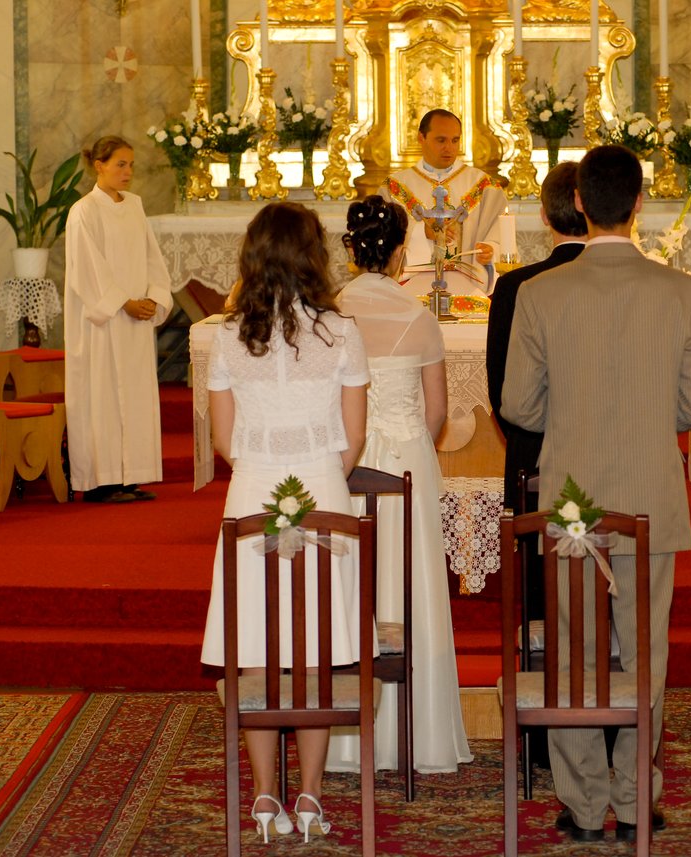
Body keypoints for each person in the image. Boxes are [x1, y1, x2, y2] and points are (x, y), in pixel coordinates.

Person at [501, 145, 691, 843]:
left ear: (578, 207)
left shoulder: (538, 293)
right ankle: (634, 798)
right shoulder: (683, 291)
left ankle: (582, 798)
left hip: (570, 501)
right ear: (636, 206)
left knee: (574, 655)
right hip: (652, 496)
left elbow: (519, 408)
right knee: (643, 651)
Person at [199, 202, 370, 843]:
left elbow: (224, 441)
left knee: (259, 653)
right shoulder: (342, 333)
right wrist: (319, 471)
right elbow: (354, 439)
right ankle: (310, 796)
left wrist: (264, 468)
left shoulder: (224, 335)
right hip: (322, 487)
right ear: (313, 256)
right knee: (314, 652)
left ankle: (265, 796)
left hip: (249, 493)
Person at [330, 195, 473, 774]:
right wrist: (407, 439)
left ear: (350, 247)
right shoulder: (419, 317)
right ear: (399, 254)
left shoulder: (329, 314)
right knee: (410, 586)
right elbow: (436, 412)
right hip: (409, 460)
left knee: (354, 586)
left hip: (347, 459)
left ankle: (346, 742)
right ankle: (421, 736)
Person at [64, 135, 171, 503]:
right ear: (99, 165)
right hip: (103, 321)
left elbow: (151, 257)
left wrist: (154, 298)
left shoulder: (135, 206)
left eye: (131, 165)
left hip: (135, 319)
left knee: (135, 394)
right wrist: (122, 302)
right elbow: (86, 269)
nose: (128, 172)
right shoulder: (84, 211)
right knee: (102, 393)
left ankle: (129, 476)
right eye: (120, 164)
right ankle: (101, 481)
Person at [486, 161, 588, 517]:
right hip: (602, 455)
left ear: (544, 216)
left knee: (533, 564)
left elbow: (499, 383)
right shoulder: (623, 282)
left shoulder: (513, 286)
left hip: (532, 453)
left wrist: (522, 439)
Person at [382, 109, 508, 296]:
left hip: (468, 289)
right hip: (410, 291)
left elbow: (499, 235)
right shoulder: (394, 187)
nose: (449, 148)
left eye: (455, 140)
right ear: (421, 138)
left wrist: (491, 251)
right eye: (441, 140)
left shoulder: (484, 186)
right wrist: (420, 233)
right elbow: (382, 240)